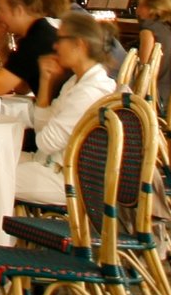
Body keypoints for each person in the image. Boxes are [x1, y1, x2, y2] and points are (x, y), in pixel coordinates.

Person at [14, 11, 119, 204]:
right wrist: (46, 81)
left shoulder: (88, 92)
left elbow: (45, 142)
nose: (55, 45)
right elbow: (42, 131)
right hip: (49, 164)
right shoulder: (76, 81)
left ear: (79, 44)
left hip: (66, 179)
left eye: (60, 39)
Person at [0, 0, 59, 97]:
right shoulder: (40, 31)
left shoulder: (34, 42)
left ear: (18, 11)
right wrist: (2, 45)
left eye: (2, 10)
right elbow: (21, 88)